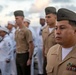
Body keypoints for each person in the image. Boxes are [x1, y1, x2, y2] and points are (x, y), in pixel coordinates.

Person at [46, 8, 76, 75]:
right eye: (56, 28)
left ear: (75, 31)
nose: (57, 32)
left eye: (62, 28)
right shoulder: (51, 51)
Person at [14, 10, 34, 75]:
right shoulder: (16, 31)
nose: (15, 20)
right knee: (19, 72)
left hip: (24, 55)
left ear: (22, 19)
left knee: (25, 72)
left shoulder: (27, 31)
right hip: (18, 54)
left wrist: (30, 58)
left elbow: (31, 45)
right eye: (15, 18)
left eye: (17, 18)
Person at [42, 7, 57, 75]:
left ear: (55, 17)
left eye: (49, 17)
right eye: (46, 17)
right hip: (46, 58)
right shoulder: (44, 30)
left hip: (56, 59)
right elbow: (44, 45)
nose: (46, 19)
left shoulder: (58, 29)